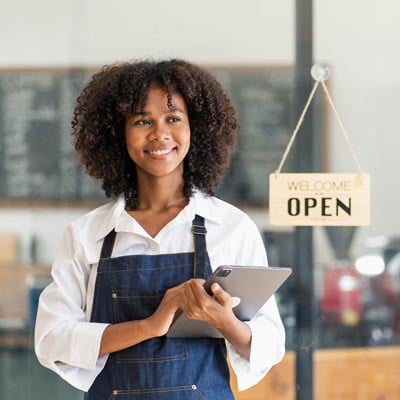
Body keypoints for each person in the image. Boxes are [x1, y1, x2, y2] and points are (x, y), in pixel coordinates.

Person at [34, 59, 285, 399]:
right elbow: (52, 340)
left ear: (196, 128)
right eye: (142, 121)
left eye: (173, 119)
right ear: (117, 132)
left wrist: (226, 322)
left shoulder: (231, 227)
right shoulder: (86, 234)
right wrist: (150, 325)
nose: (159, 134)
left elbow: (271, 342)